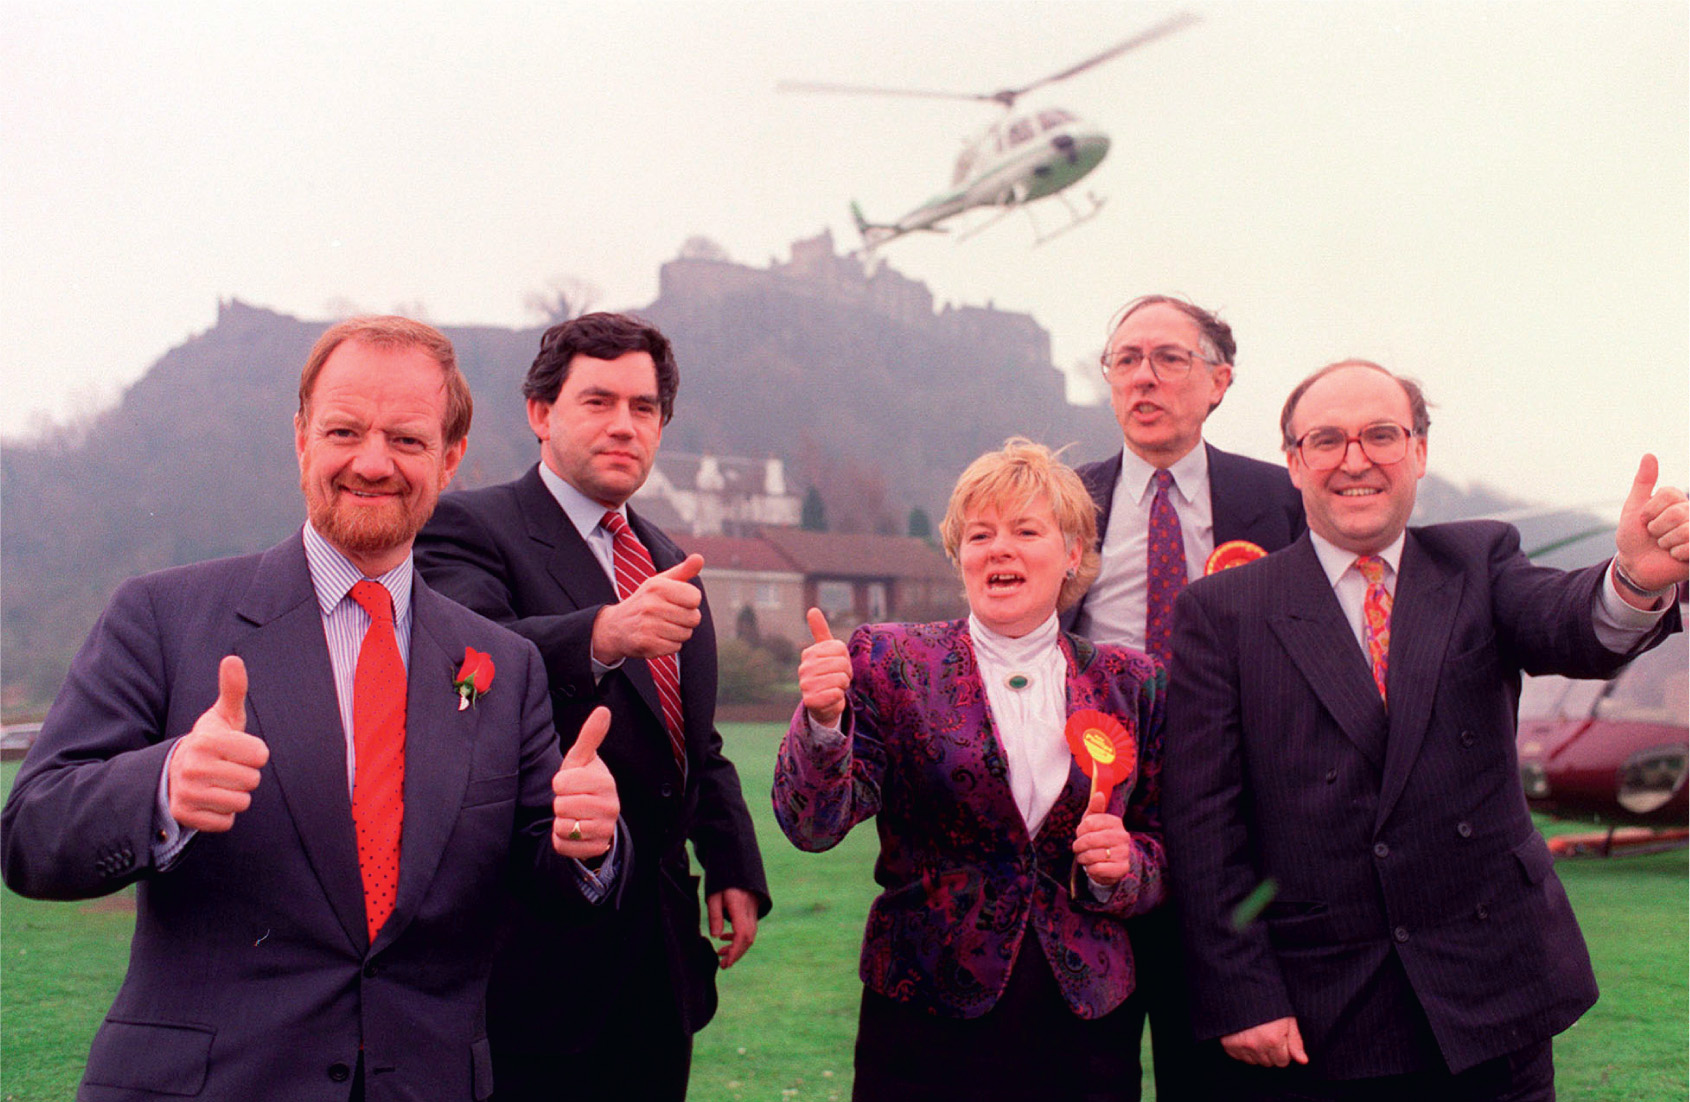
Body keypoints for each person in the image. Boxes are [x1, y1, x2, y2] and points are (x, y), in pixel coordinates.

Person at [0, 316, 625, 1101]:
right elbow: (30, 834)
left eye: (405, 439)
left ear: (450, 458)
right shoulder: (162, 616)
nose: (372, 462)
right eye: (344, 430)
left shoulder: (505, 665)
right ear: (300, 438)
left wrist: (589, 842)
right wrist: (163, 788)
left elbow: (550, 872)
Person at [1162, 359, 1687, 1101]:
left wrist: (1633, 581)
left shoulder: (1480, 560)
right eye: (1327, 440)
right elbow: (1203, 823)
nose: (1356, 459)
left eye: (1381, 434)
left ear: (1419, 451)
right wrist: (1243, 994)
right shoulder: (1224, 611)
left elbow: (1568, 622)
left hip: (1492, 998)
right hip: (1323, 1012)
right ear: (1293, 462)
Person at [414, 312, 769, 1101]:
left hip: (660, 956)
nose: (623, 425)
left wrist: (733, 863)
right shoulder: (466, 526)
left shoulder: (671, 562)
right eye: (597, 401)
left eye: (643, 408)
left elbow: (692, 743)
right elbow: (461, 673)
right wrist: (604, 634)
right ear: (540, 415)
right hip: (531, 954)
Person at [774, 439, 1167, 1101]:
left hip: (1085, 1024)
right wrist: (820, 720)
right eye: (979, 534)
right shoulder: (891, 662)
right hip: (924, 1019)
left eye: (1025, 530)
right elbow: (813, 825)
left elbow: (1171, 848)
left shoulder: (1134, 683)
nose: (999, 548)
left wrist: (1127, 867)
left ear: (1074, 553)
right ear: (960, 556)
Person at [1065, 293, 1305, 1099]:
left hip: (1241, 830)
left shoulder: (1284, 502)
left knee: (1223, 1072)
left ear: (1219, 381)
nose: (1145, 377)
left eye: (1170, 359)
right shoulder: (1061, 503)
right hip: (1092, 829)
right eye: (1126, 360)